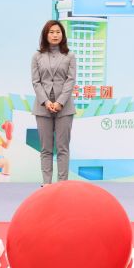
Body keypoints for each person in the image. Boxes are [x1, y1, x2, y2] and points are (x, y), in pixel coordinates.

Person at [31, 20, 76, 186]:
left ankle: (62, 184)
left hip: (64, 108)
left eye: (58, 32)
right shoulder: (37, 56)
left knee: (63, 148)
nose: (55, 35)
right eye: (51, 32)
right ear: (45, 35)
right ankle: (47, 184)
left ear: (62, 35)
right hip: (42, 108)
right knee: (46, 148)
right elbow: (36, 82)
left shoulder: (69, 56)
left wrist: (60, 102)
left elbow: (70, 80)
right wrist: (45, 101)